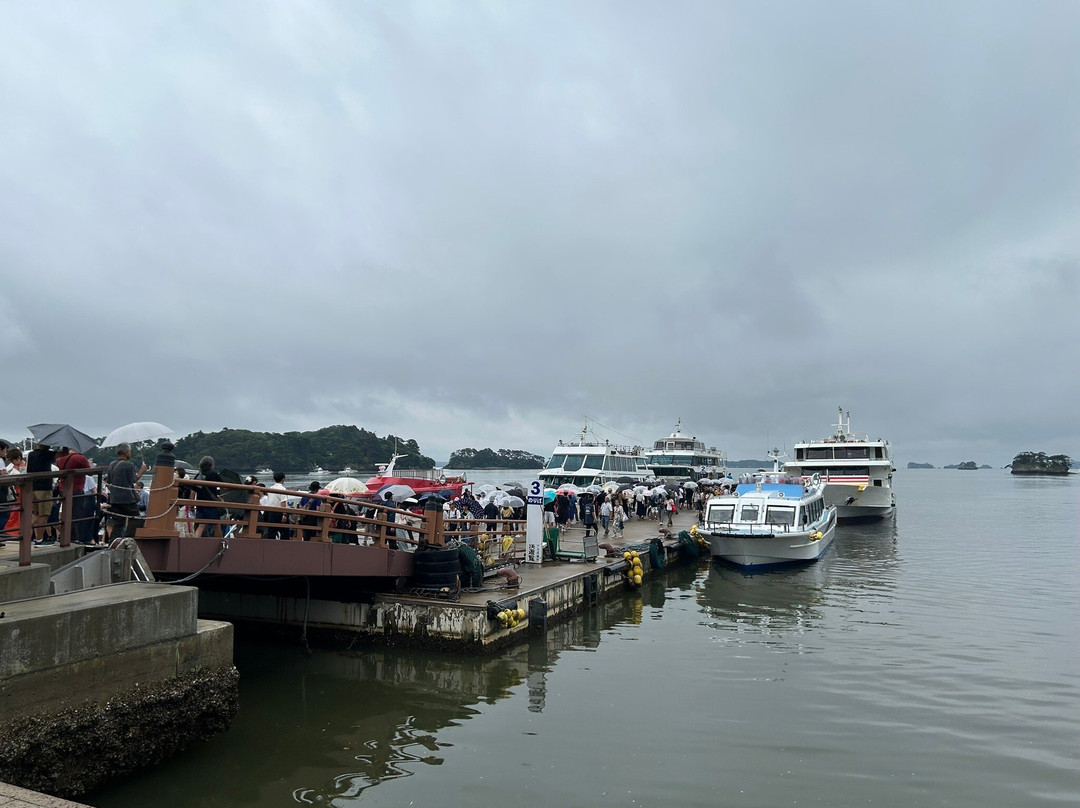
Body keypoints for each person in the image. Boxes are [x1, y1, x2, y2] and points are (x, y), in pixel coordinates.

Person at [106, 443, 147, 539]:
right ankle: (129, 538)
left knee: (118, 523)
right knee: (136, 518)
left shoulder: (112, 464)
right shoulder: (128, 465)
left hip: (115, 499)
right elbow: (133, 480)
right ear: (126, 452)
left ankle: (113, 542)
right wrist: (142, 471)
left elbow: (108, 481)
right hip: (127, 499)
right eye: (130, 451)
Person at [56, 446, 93, 543]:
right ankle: (73, 536)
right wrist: (89, 464)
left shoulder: (61, 458)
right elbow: (90, 472)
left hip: (63, 488)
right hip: (76, 489)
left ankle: (64, 534)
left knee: (65, 512)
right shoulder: (80, 458)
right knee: (76, 513)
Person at [26, 442, 56, 543]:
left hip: (33, 487)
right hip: (44, 488)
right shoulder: (48, 454)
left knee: (36, 514)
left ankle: (25, 536)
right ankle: (39, 540)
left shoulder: (31, 454)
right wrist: (64, 445)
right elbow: (63, 454)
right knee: (44, 515)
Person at [192, 455, 223, 537]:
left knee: (201, 525)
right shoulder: (214, 475)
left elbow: (193, 490)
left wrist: (191, 503)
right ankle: (220, 542)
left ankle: (194, 542)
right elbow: (223, 485)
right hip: (211, 503)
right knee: (216, 525)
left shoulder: (198, 476)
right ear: (211, 465)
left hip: (200, 503)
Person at [262, 471, 290, 540]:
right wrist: (284, 514)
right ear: (283, 479)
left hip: (271, 512)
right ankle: (284, 546)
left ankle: (271, 546)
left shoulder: (271, 488)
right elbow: (283, 502)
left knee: (271, 531)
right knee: (285, 531)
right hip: (279, 512)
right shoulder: (283, 489)